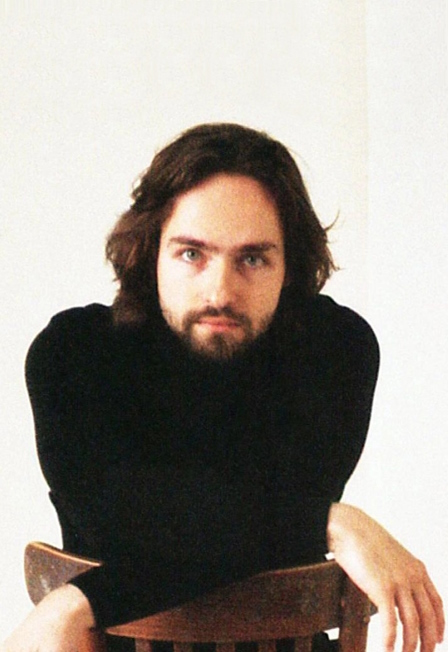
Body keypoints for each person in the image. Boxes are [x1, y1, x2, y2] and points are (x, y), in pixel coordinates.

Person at [2, 123, 444, 652]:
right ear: (150, 251)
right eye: (192, 254)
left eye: (252, 259)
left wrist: (78, 603)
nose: (220, 291)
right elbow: (120, 521)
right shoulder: (75, 352)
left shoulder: (334, 347)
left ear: (289, 266)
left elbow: (195, 526)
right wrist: (330, 523)